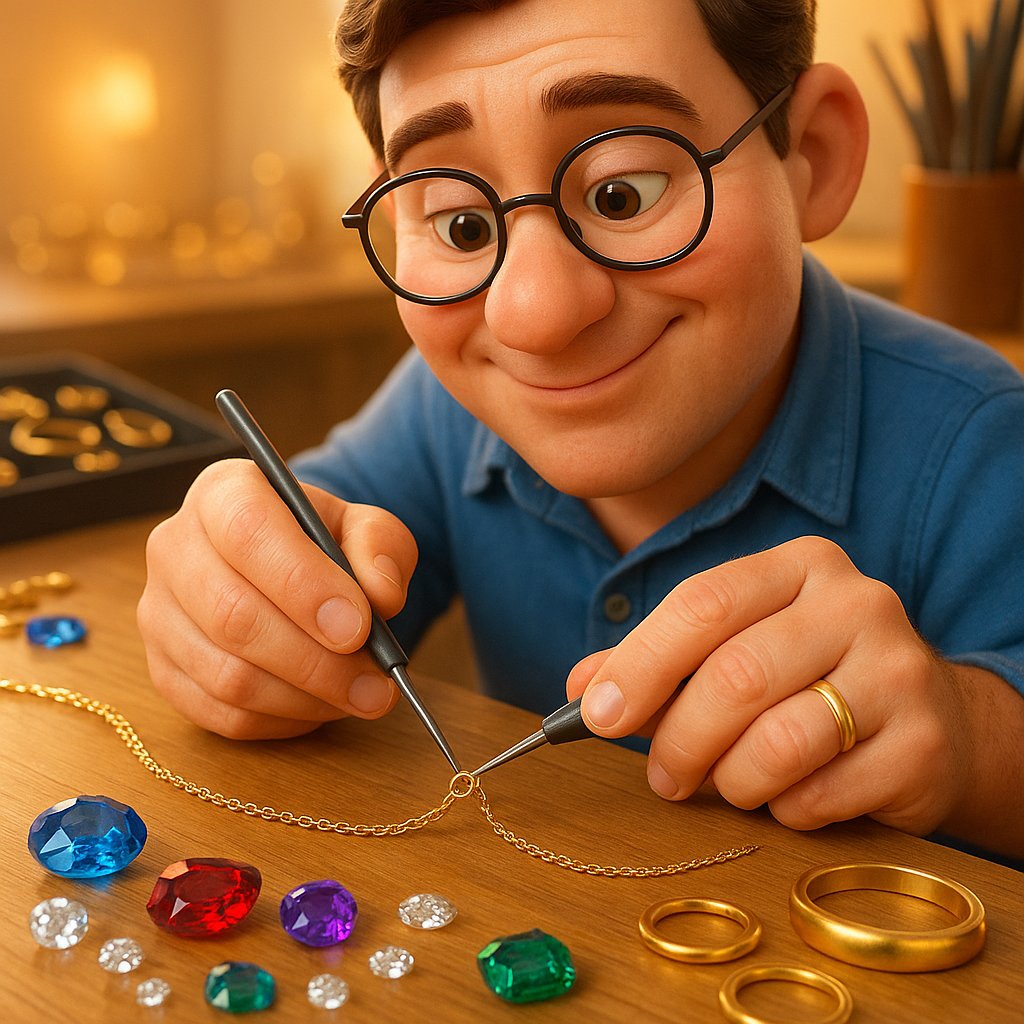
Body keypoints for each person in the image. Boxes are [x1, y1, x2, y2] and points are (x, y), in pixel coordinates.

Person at [138, 0, 1024, 863]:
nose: (534, 315)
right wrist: (232, 583)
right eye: (463, 224)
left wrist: (970, 738)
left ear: (815, 157)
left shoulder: (985, 442)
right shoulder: (447, 403)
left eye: (622, 192)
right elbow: (297, 535)